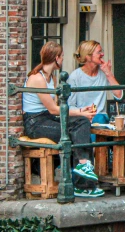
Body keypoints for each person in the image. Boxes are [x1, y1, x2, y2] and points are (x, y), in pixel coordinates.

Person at [22, 42, 104, 198]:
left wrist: (81, 113)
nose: (63, 59)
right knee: (74, 134)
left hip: (48, 118)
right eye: (62, 56)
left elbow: (55, 109)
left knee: (82, 123)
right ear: (56, 58)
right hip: (35, 123)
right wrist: (80, 111)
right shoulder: (37, 78)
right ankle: (83, 180)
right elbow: (53, 108)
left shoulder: (52, 77)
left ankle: (83, 168)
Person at [67, 40, 123, 123]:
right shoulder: (75, 76)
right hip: (81, 116)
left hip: (100, 116)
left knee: (99, 119)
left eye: (102, 51)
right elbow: (70, 105)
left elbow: (119, 95)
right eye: (99, 52)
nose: (102, 54)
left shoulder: (104, 72)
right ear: (88, 57)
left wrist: (108, 73)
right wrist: (84, 113)